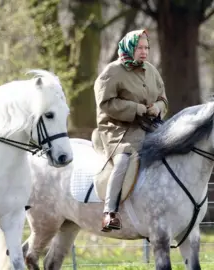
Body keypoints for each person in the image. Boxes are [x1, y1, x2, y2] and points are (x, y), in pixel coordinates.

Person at [91, 29, 168, 232]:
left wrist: (158, 108)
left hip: (149, 126)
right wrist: (138, 109)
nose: (144, 52)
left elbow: (162, 98)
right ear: (129, 48)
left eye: (146, 48)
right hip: (117, 129)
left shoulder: (151, 70)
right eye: (139, 47)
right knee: (125, 158)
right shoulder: (112, 72)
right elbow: (106, 103)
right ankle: (110, 213)